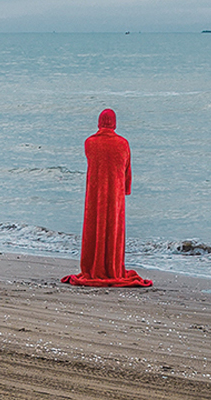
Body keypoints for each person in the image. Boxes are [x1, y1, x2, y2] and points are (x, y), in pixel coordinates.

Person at [61, 108, 152, 287]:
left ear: (99, 122)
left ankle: (93, 266)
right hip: (115, 195)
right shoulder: (123, 143)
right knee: (113, 230)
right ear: (114, 123)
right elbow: (127, 169)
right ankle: (112, 267)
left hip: (95, 195)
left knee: (94, 228)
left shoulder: (89, 142)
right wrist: (125, 189)